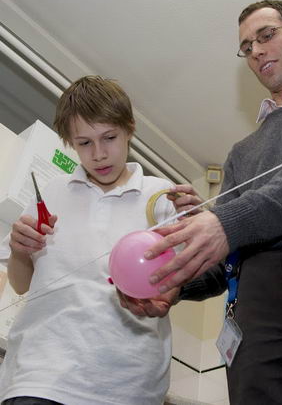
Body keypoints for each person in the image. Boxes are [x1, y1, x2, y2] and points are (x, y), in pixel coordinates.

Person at [128, 0, 282, 405]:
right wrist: (174, 284)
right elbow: (225, 252)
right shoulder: (241, 153)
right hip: (257, 291)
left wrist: (227, 221)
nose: (255, 50)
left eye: (267, 35)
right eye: (246, 46)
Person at [0, 75, 181, 405]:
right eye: (84, 143)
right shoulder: (52, 193)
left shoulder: (162, 196)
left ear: (129, 129)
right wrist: (19, 250)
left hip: (128, 384)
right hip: (39, 377)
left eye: (109, 137)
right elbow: (21, 283)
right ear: (69, 143)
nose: (99, 154)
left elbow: (179, 280)